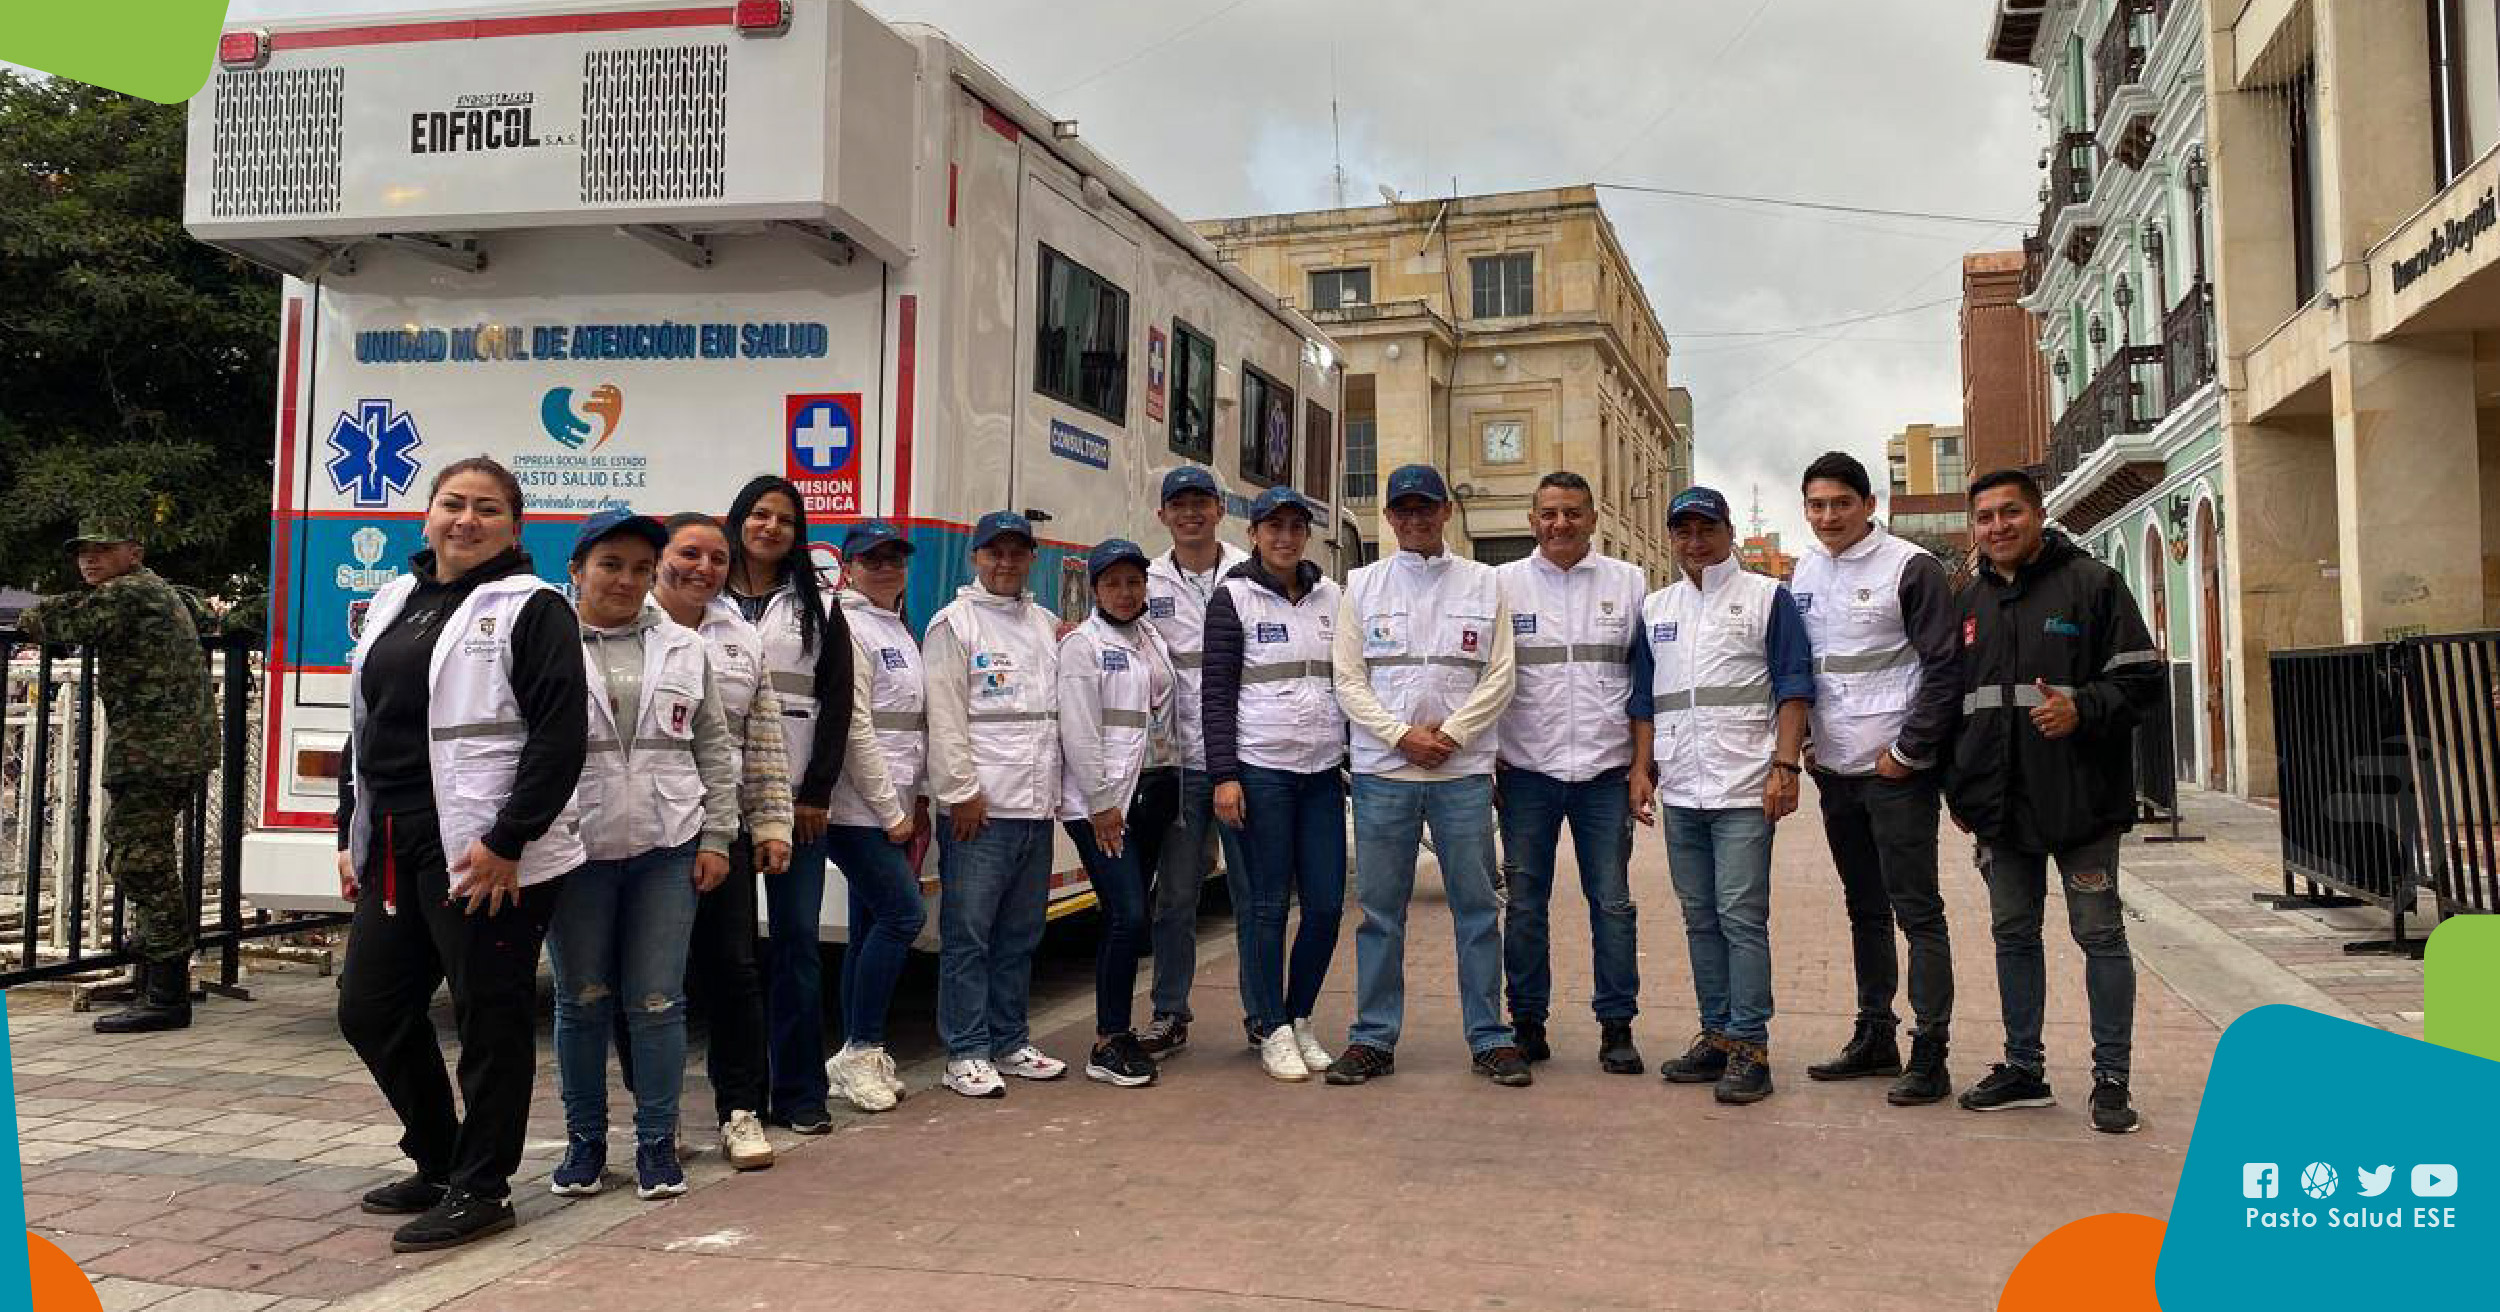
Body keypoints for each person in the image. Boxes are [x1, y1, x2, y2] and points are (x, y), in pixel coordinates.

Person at [333, 457, 587, 1252]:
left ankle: (483, 1187)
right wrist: (350, 828)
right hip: (397, 841)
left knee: (490, 1019)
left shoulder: (534, 606)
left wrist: (511, 839)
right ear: (427, 516)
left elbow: (558, 734)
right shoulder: (395, 600)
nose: (465, 520)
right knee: (370, 1009)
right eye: (452, 505)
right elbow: (365, 724)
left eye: (486, 509)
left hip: (483, 853)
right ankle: (440, 1158)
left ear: (515, 526)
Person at [1948, 468, 2161, 1135]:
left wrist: (2084, 707)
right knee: (2013, 934)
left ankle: (2112, 1080)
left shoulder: (2094, 585)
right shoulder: (1969, 602)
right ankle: (2023, 1069)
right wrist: (1961, 788)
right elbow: (1957, 705)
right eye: (1984, 518)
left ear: (2038, 515)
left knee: (2099, 934)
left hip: (2083, 803)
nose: (1997, 527)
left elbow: (2142, 680)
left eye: (2010, 513)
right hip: (2000, 808)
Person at [546, 511, 741, 1201]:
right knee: (582, 1002)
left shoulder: (684, 647)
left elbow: (715, 746)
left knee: (658, 1002)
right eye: (610, 564)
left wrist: (717, 835)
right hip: (575, 851)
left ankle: (658, 1144)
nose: (625, 579)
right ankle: (585, 1145)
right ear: (577, 569)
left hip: (667, 847)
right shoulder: (546, 642)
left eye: (638, 567)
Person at [1330, 464, 1527, 1088]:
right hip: (1385, 773)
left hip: (1461, 774)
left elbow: (1501, 675)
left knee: (1475, 910)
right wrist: (1399, 735)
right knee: (1380, 913)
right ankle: (1372, 1038)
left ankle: (1490, 1037)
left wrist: (1453, 735)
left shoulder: (1485, 582)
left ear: (1446, 511)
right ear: (1388, 517)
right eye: (1403, 510)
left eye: (1426, 508)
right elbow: (1347, 680)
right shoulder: (1359, 586)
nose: (1414, 519)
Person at [1629, 486, 1813, 1106]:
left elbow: (1793, 686)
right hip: (1681, 785)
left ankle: (1751, 1044)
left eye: (1706, 528)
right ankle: (1715, 1033)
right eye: (1682, 530)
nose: (1694, 540)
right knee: (1699, 916)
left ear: (1729, 531)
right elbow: (1645, 700)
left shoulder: (1767, 599)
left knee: (1740, 917)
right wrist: (1641, 768)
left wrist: (1785, 765)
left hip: (1744, 786)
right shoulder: (1657, 608)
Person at [1792, 452, 1964, 1106]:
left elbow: (1944, 669)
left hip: (1896, 774)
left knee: (1917, 910)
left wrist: (1910, 751)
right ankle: (1875, 1035)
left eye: (1840, 503)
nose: (1829, 516)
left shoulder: (1910, 567)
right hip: (1835, 771)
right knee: (1864, 907)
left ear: (1869, 503)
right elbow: (1799, 668)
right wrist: (1806, 743)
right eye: (1817, 505)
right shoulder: (1803, 573)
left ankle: (1931, 1051)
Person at [637, 512, 796, 1169]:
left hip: (719, 826)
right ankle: (657, 1117)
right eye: (689, 554)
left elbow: (760, 734)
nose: (703, 568)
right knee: (650, 981)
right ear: (659, 559)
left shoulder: (739, 637)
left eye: (717, 559)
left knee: (733, 971)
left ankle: (741, 1111)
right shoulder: (626, 623)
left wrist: (773, 821)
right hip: (640, 830)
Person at [17, 516, 218, 1034]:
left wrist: (37, 615)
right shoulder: (155, 590)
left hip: (153, 753)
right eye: (83, 552)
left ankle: (167, 991)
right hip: (167, 749)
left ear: (134, 551)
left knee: (142, 861)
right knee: (132, 854)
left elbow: (55, 622)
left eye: (103, 550)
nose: (89, 560)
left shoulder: (128, 593)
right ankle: (151, 967)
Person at [1491, 472, 1648, 1075]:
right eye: (1550, 513)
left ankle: (1616, 1026)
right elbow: (1485, 677)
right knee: (1526, 903)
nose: (1561, 524)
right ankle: (1527, 1023)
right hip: (1527, 771)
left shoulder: (1628, 583)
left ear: (1592, 519)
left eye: (1573, 513)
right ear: (1533, 520)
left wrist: (1641, 764)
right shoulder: (1502, 586)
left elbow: (1644, 685)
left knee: (1611, 902)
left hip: (1606, 775)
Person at [722, 476, 857, 1135]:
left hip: (795, 804)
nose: (770, 527)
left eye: (784, 519)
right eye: (758, 514)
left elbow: (838, 707)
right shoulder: (704, 598)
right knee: (730, 955)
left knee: (799, 944)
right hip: (716, 809)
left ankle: (801, 1092)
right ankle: (742, 1094)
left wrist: (817, 794)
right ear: (738, 521)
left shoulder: (819, 606)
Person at [1202, 486, 1346, 1083]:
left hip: (1320, 775)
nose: (1285, 538)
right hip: (1260, 772)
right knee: (1264, 907)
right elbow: (1215, 693)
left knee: (1326, 905)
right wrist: (1225, 776)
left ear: (1305, 534)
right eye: (1273, 527)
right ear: (1254, 533)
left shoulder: (1332, 596)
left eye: (1295, 527)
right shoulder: (1232, 597)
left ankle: (1300, 1015)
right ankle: (1270, 1024)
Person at [924, 511, 1068, 1098]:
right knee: (969, 936)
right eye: (994, 552)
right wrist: (960, 792)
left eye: (1016, 552)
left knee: (1020, 934)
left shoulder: (1045, 623)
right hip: (979, 812)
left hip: (1035, 809)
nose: (1005, 562)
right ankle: (965, 1050)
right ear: (975, 558)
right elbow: (944, 715)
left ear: (1032, 556)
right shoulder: (952, 625)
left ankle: (1010, 1041)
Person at [1138, 466, 1251, 1058]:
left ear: (1219, 509)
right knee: (1177, 895)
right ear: (1162, 516)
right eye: (1178, 505)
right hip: (1179, 761)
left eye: (1201, 502)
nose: (1190, 514)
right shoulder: (1146, 579)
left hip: (1244, 756)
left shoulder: (1249, 572)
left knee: (1257, 895)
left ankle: (1267, 1015)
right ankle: (1168, 1012)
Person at [1058, 538, 1179, 1088]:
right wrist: (1103, 805)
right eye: (1113, 584)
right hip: (1103, 804)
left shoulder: (1150, 634)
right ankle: (1108, 1039)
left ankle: (1118, 1031)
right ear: (1094, 588)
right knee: (1127, 914)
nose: (1126, 593)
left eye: (1134, 582)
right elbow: (1079, 731)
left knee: (1129, 916)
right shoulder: (1083, 646)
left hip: (1153, 791)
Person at [821, 521, 928, 1113]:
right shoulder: (851, 626)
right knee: (902, 914)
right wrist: (892, 811)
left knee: (868, 928)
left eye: (895, 558)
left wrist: (917, 796)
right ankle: (860, 1048)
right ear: (851, 568)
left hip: (891, 801)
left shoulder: (897, 625)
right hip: (856, 807)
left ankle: (857, 1049)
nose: (886, 567)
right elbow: (856, 726)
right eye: (873, 559)